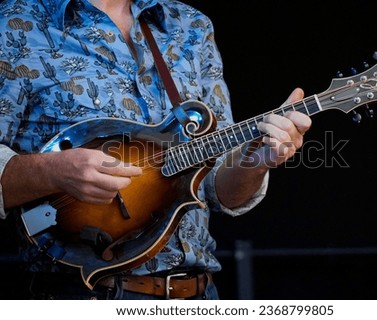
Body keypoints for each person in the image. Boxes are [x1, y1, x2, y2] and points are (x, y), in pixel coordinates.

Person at [0, 0, 311, 299]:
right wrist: (52, 172)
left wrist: (254, 162)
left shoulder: (190, 26)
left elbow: (220, 190)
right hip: (79, 296)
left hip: (197, 295)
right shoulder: (15, 24)